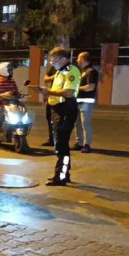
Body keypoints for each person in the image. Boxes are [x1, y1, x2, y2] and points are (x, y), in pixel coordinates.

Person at [40, 47, 80, 186]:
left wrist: (49, 92)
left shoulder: (71, 71)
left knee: (62, 145)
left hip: (65, 109)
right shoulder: (60, 71)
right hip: (57, 109)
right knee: (60, 143)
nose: (52, 63)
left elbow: (69, 92)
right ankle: (63, 174)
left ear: (64, 59)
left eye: (54, 60)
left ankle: (61, 176)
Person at [74, 52, 97, 153]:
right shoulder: (83, 71)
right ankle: (79, 143)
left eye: (78, 58)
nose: (77, 60)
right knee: (78, 123)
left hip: (86, 102)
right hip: (79, 101)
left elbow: (90, 87)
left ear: (83, 59)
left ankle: (87, 144)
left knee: (85, 123)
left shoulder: (91, 72)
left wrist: (76, 88)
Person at [42, 63, 57, 146]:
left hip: (61, 98)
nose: (52, 61)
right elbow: (45, 78)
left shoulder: (68, 69)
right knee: (49, 117)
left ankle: (57, 140)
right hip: (52, 96)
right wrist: (54, 77)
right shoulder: (54, 67)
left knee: (58, 119)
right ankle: (51, 139)